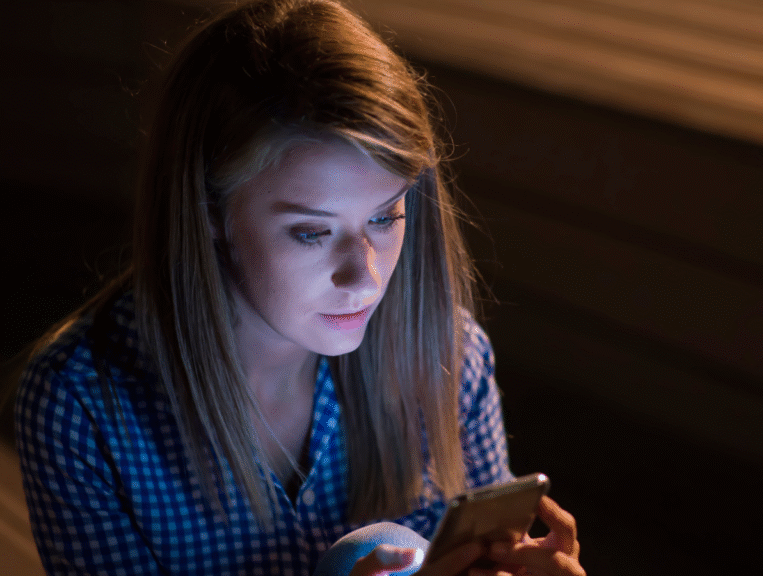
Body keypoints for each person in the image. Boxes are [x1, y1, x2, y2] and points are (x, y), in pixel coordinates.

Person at [14, 1, 585, 574]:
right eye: (312, 232)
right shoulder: (83, 407)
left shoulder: (447, 355)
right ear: (208, 210)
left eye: (385, 217)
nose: (364, 276)